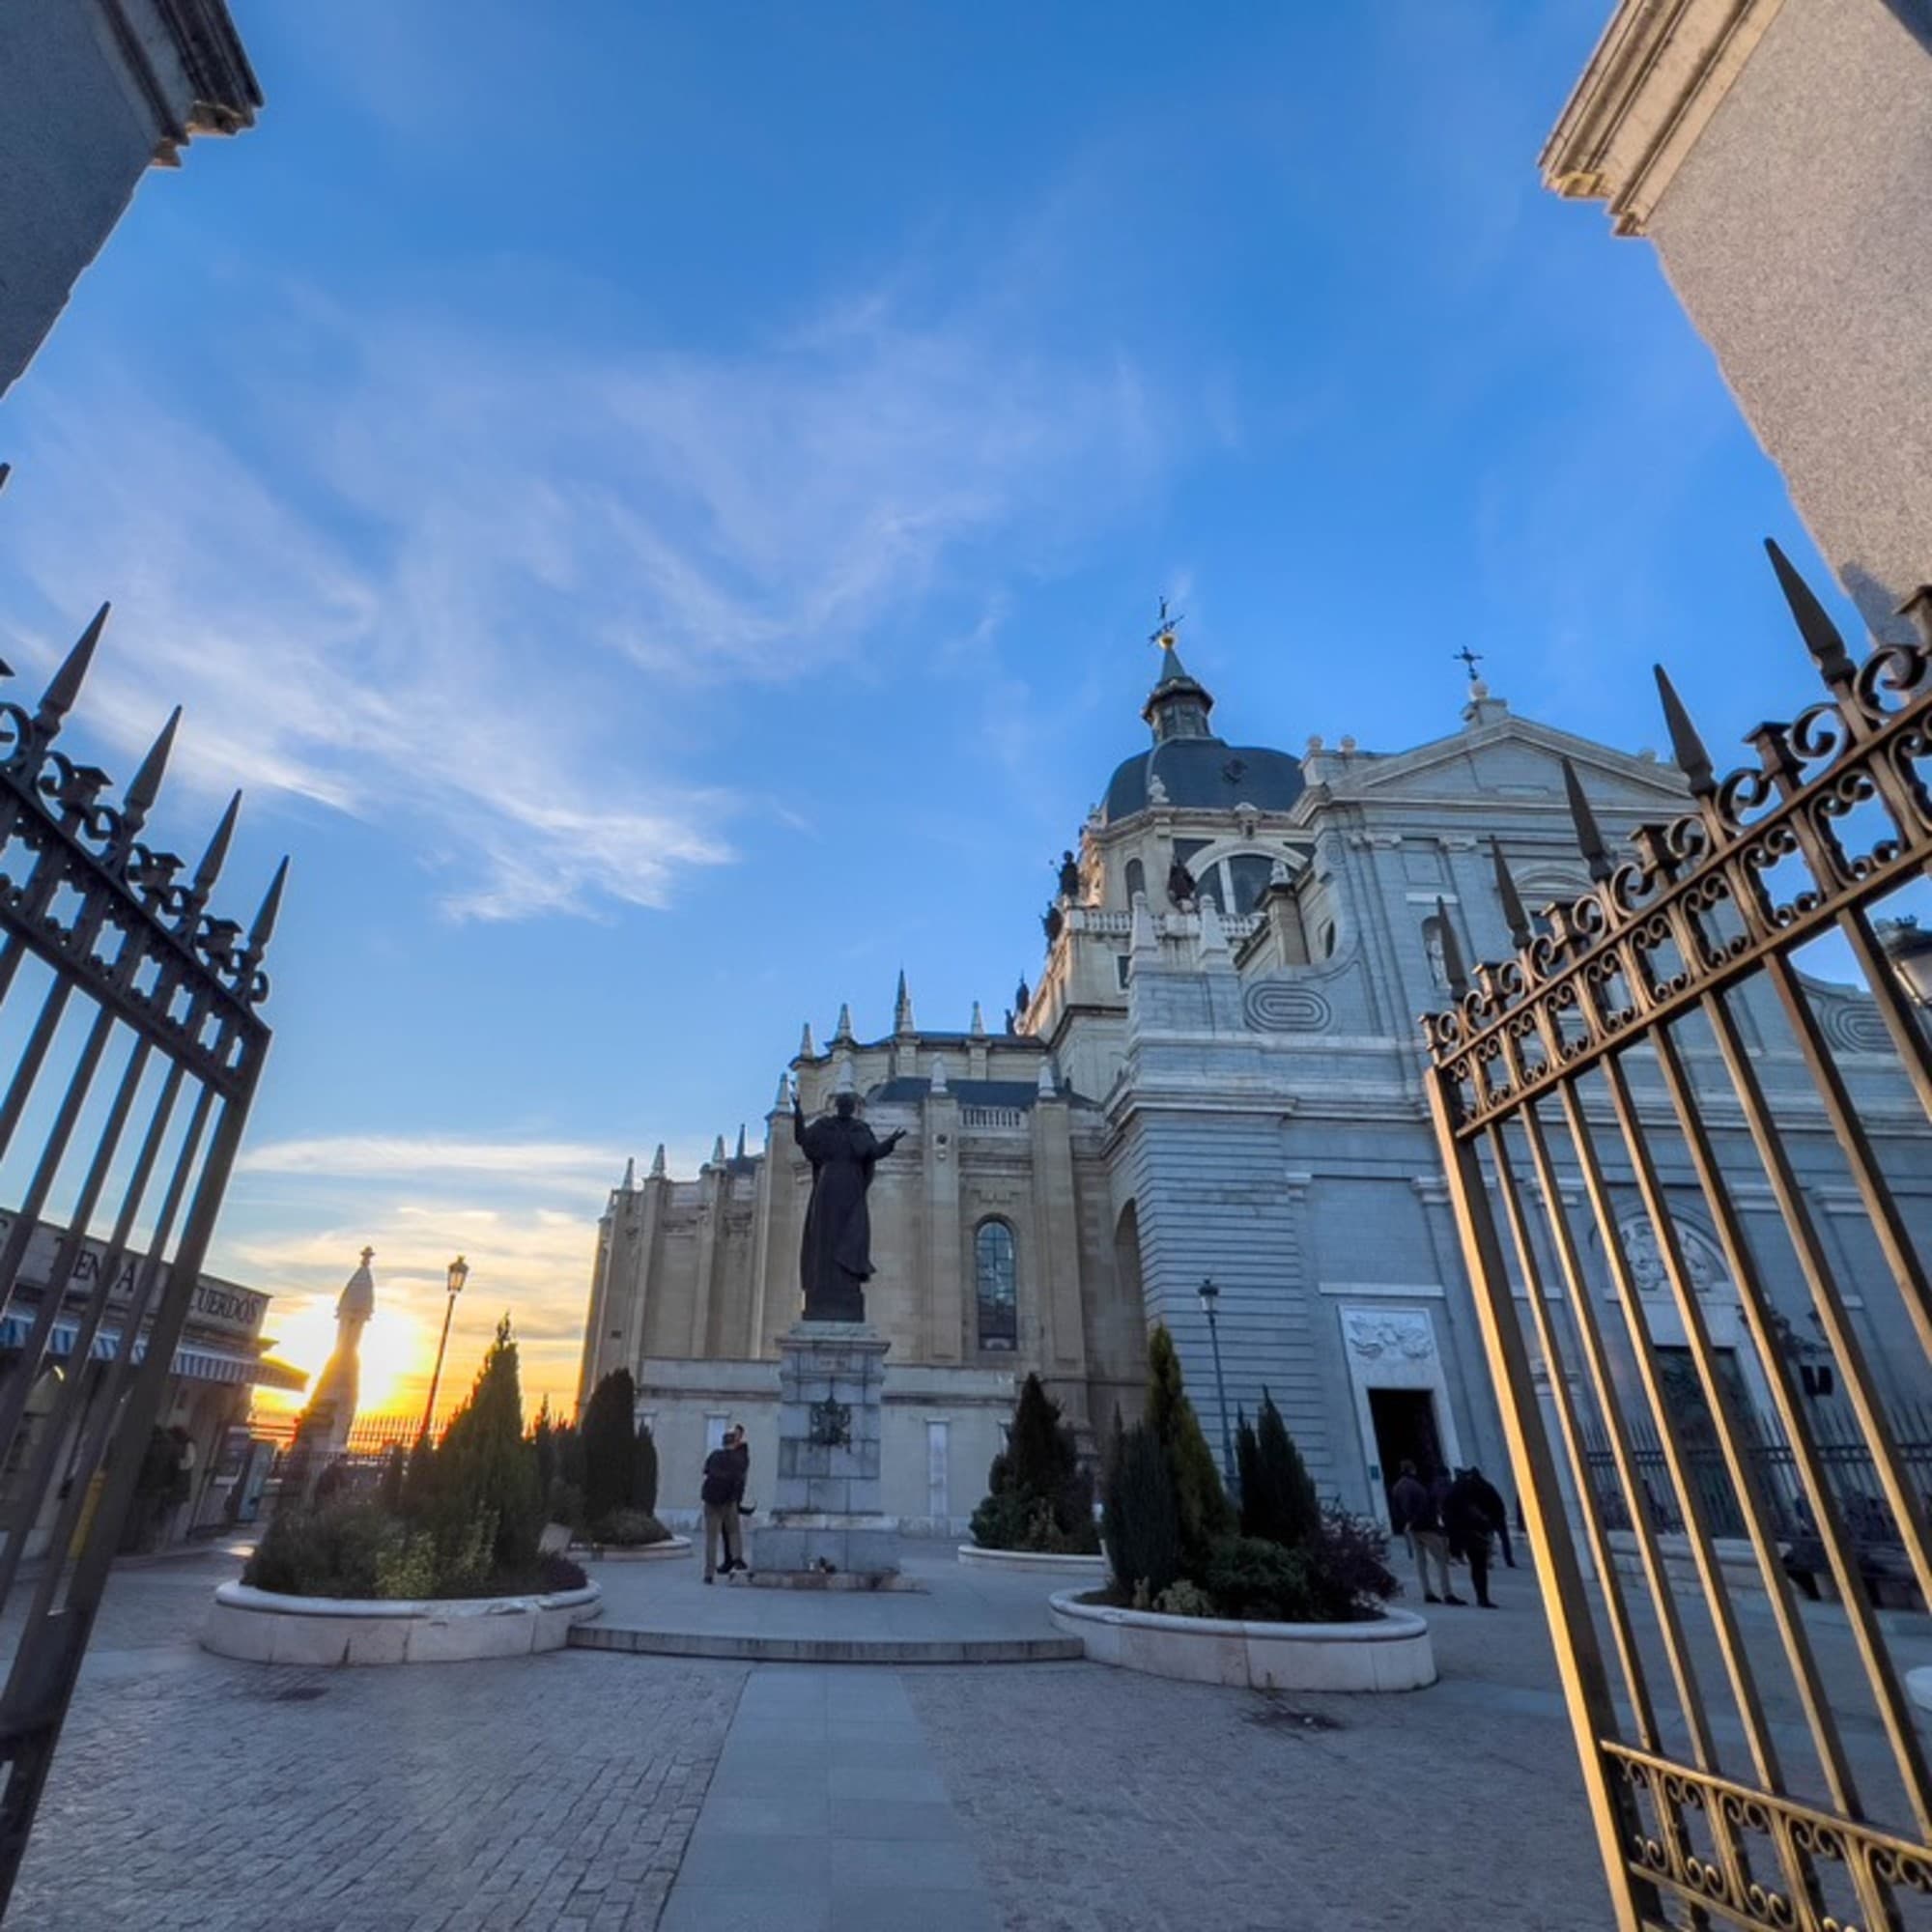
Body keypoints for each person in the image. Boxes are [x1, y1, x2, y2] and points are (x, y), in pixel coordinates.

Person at [1390, 1460, 1462, 1606]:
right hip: (1426, 1527)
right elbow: (1423, 1506)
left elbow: (1396, 1509)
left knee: (1420, 1562)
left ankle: (1427, 1592)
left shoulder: (1397, 1487)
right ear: (1412, 1470)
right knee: (1441, 1560)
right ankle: (1447, 1593)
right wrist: (1415, 1520)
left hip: (1412, 1529)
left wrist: (1406, 1523)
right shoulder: (1416, 1486)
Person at [1446, 1467, 1499, 1609]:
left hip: (1464, 1533)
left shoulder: (1453, 1491)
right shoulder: (1479, 1489)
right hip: (1477, 1531)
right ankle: (1483, 1597)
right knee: (1479, 1566)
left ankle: (1481, 1596)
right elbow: (1495, 1506)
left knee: (1476, 1566)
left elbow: (1448, 1515)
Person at [701, 1426, 750, 1583]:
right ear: (735, 1443)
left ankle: (709, 1574)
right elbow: (740, 1477)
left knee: (711, 1538)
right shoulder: (738, 1459)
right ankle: (737, 1559)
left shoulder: (715, 1455)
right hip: (729, 1501)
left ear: (722, 1443)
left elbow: (706, 1471)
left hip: (711, 1501)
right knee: (734, 1532)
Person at [1466, 1465, 1515, 1568]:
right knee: (1504, 1539)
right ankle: (1509, 1560)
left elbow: (1475, 1504)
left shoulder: (1473, 1488)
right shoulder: (1488, 1486)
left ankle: (1488, 1561)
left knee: (1487, 1539)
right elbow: (1498, 1501)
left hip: (1488, 1516)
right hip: (1498, 1515)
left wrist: (1481, 1516)